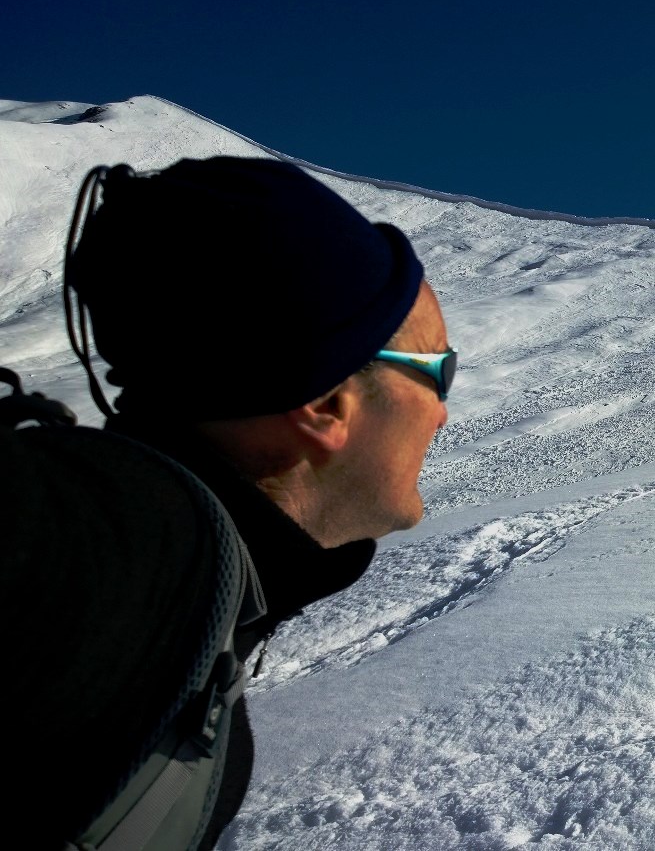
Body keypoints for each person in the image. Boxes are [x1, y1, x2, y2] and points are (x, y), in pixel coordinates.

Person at [35, 156, 454, 847]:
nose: (442, 413)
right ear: (325, 403)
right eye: (438, 369)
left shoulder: (201, 585)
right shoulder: (96, 561)